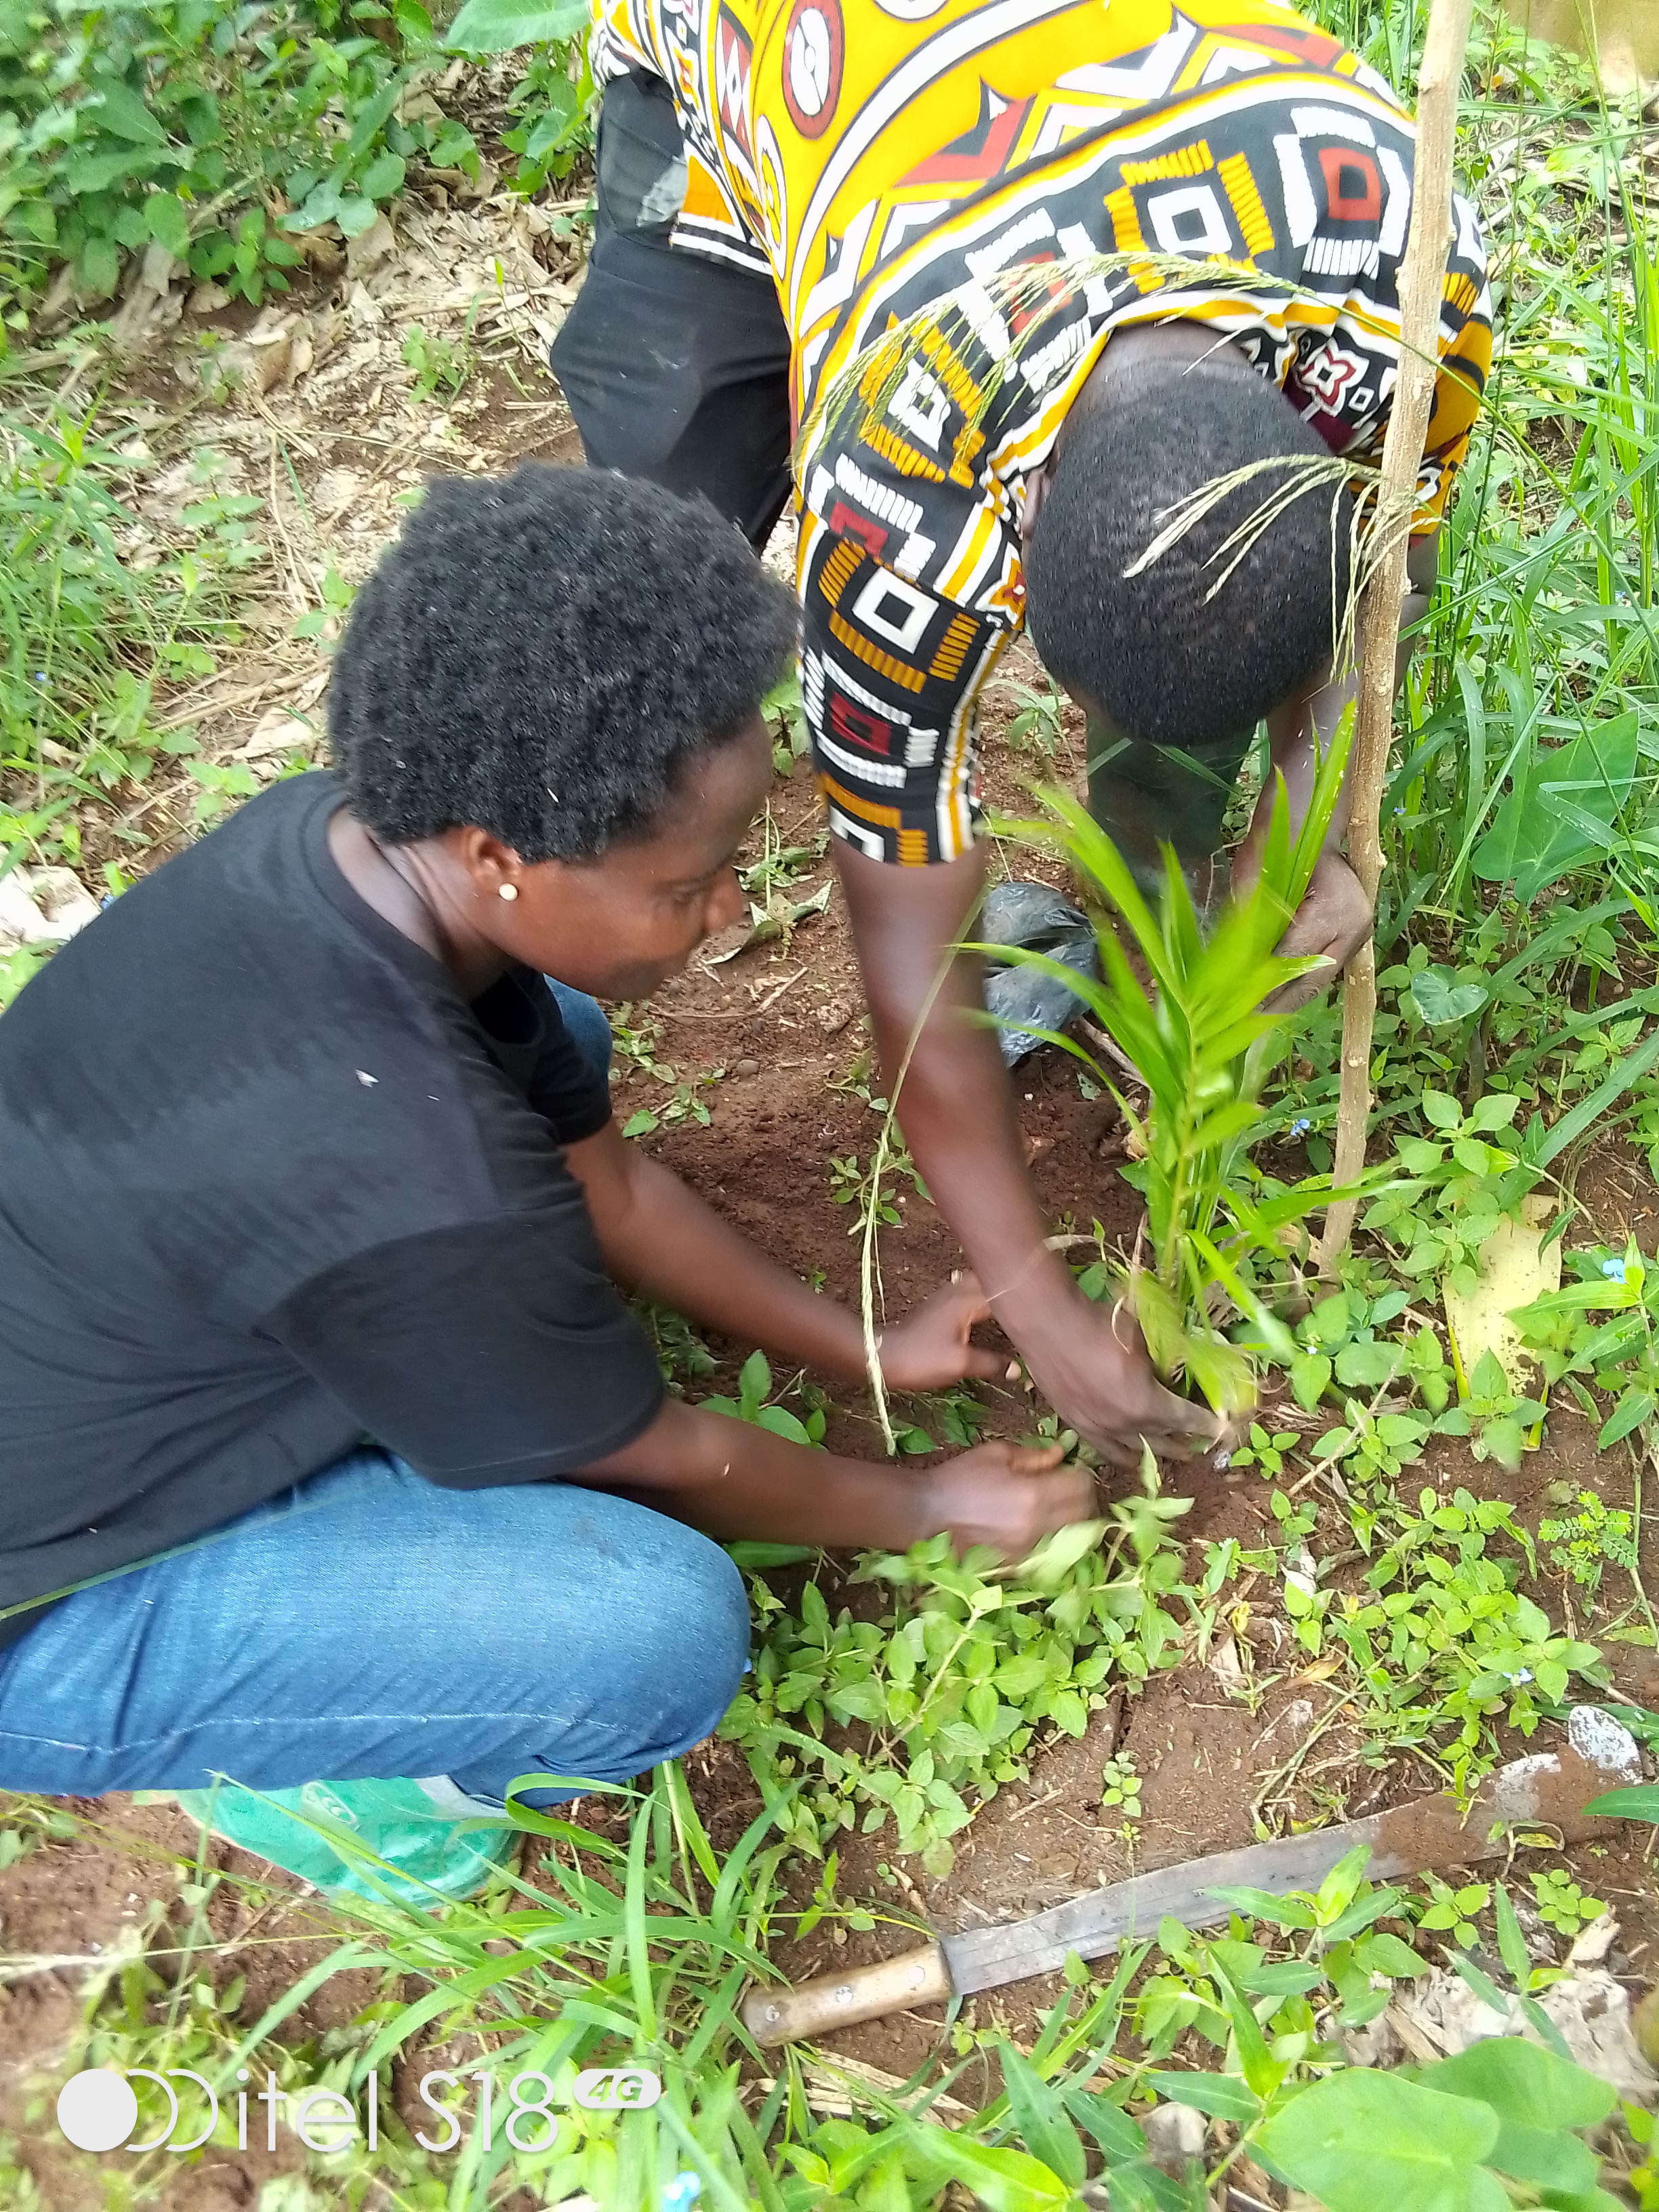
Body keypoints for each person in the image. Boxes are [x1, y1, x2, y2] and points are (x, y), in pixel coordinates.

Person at [0, 466, 1093, 1896]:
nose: (729, 913)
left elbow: (613, 1192)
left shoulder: (350, 850)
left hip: (122, 1330)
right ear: (496, 854)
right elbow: (641, 1449)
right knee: (647, 1630)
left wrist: (868, 1348)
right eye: (684, 885)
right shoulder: (425, 1170)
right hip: (50, 1607)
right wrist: (926, 1509)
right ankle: (333, 1782)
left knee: (556, 1030)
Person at [549, 0, 1492, 1463]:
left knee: (1200, 707)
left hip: (1115, 119)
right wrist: (1041, 1309)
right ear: (1020, 520)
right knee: (671, 565)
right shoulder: (897, 500)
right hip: (746, 57)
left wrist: (1300, 818)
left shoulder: (1403, 277)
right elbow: (904, 954)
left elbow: (1384, 576)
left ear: (1309, 435)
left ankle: (1155, 915)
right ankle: (539, 962)